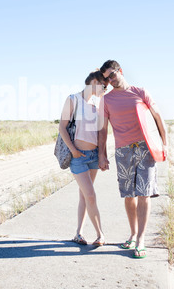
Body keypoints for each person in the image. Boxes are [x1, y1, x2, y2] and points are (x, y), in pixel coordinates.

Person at [98, 60, 167, 259]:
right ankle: (133, 233)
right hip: (123, 151)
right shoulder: (107, 100)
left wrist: (165, 143)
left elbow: (157, 116)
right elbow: (103, 129)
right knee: (129, 196)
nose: (110, 81)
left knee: (144, 194)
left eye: (112, 75)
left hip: (145, 148)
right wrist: (102, 154)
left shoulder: (140, 92)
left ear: (120, 71)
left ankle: (141, 240)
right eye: (106, 79)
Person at [59, 70, 106, 246]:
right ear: (94, 82)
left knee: (85, 196)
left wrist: (102, 156)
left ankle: (78, 234)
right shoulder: (73, 100)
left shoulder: (96, 105)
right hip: (78, 157)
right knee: (91, 195)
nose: (106, 89)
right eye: (104, 85)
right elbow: (62, 128)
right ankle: (101, 234)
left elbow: (101, 134)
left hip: (93, 156)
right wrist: (73, 150)